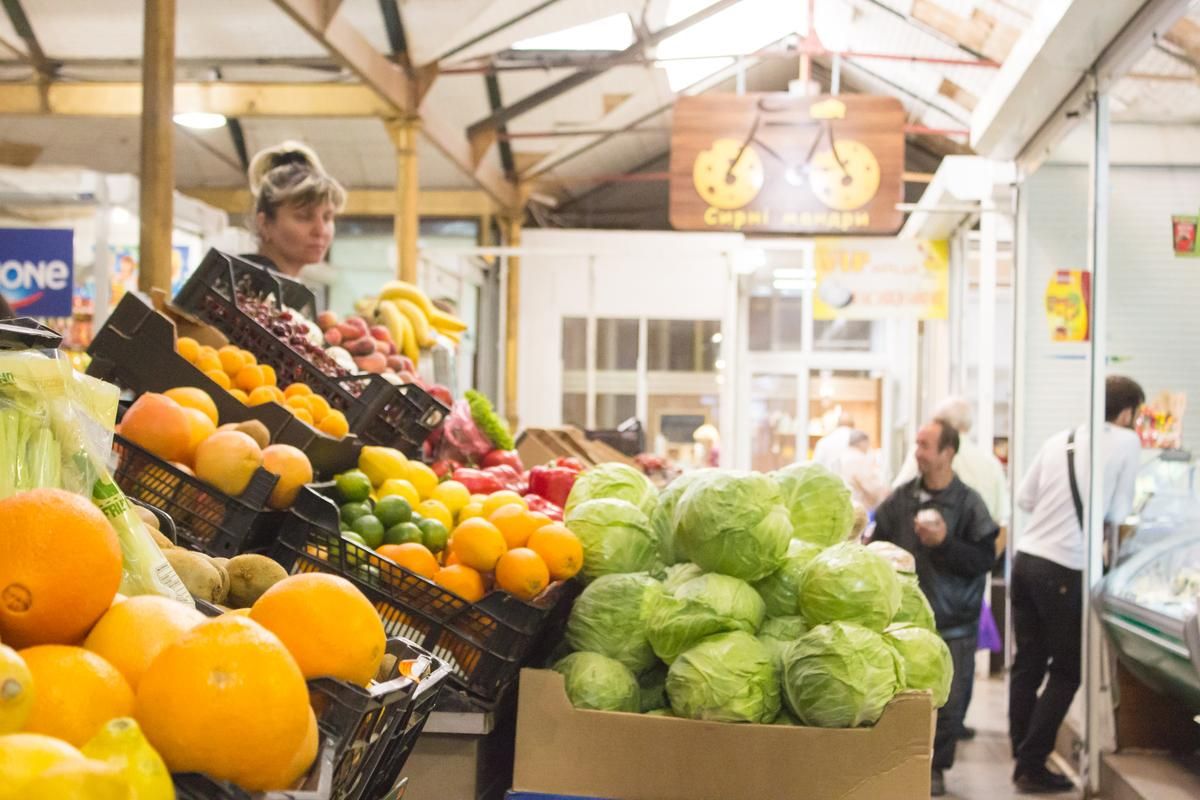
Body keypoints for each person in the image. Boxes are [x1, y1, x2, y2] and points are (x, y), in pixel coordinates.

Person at [1008, 376, 1144, 794]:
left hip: (1026, 559)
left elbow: (1025, 499)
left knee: (1028, 663)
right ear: (1127, 413)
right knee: (1068, 670)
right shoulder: (1127, 442)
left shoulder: (1061, 440)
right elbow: (1119, 511)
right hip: (1064, 566)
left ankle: (1021, 752)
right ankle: (1032, 763)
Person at [871, 419, 999, 798]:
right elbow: (875, 546)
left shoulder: (970, 503)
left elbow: (984, 559)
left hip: (953, 623)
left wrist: (944, 543)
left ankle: (936, 768)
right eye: (917, 444)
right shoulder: (901, 500)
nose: (917, 453)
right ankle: (899, 767)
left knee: (949, 703)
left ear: (948, 452)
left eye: (925, 445)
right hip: (902, 623)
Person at [894, 396, 1010, 528]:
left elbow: (898, 495)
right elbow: (1000, 519)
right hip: (978, 537)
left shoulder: (926, 454)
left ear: (939, 424)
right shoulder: (991, 463)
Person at [244, 141, 346, 278]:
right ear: (264, 224)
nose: (320, 231)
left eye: (327, 217)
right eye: (304, 217)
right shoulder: (242, 287)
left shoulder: (279, 286)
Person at [838, 430, 890, 511]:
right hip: (862, 502)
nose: (868, 446)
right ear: (861, 442)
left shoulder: (846, 456)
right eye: (867, 443)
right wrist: (877, 495)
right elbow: (865, 483)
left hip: (853, 500)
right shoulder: (857, 458)